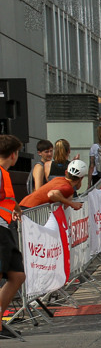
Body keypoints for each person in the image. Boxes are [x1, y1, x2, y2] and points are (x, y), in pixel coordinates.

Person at [0, 136, 27, 332]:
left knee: (17, 275)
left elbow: (6, 197)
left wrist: (15, 207)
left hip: (4, 229)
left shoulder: (3, 174)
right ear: (14, 154)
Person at [20, 159, 87, 210]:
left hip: (24, 205)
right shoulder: (68, 187)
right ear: (81, 178)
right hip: (29, 209)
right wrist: (72, 204)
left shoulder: (58, 179)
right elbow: (52, 194)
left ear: (66, 172)